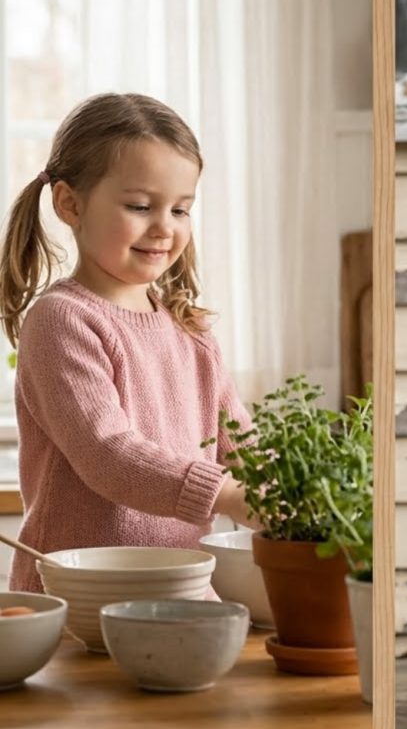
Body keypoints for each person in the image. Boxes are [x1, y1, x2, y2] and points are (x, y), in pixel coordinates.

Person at [0, 92, 258, 592]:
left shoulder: (191, 331)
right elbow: (109, 456)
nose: (164, 227)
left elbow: (240, 442)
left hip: (179, 589)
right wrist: (228, 494)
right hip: (76, 596)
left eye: (181, 210)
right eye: (141, 206)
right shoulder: (62, 321)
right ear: (70, 204)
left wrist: (289, 490)